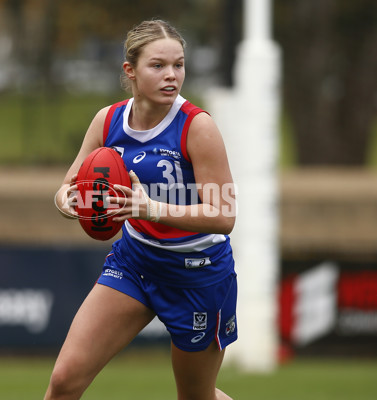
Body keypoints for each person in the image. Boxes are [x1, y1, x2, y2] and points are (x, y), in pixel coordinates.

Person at [47, 19, 237, 400]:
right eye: (158, 66)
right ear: (130, 71)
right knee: (64, 382)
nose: (172, 76)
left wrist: (150, 208)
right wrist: (69, 202)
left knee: (196, 397)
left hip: (196, 276)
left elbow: (224, 216)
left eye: (179, 65)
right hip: (134, 264)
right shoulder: (109, 120)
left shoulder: (197, 127)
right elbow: (69, 187)